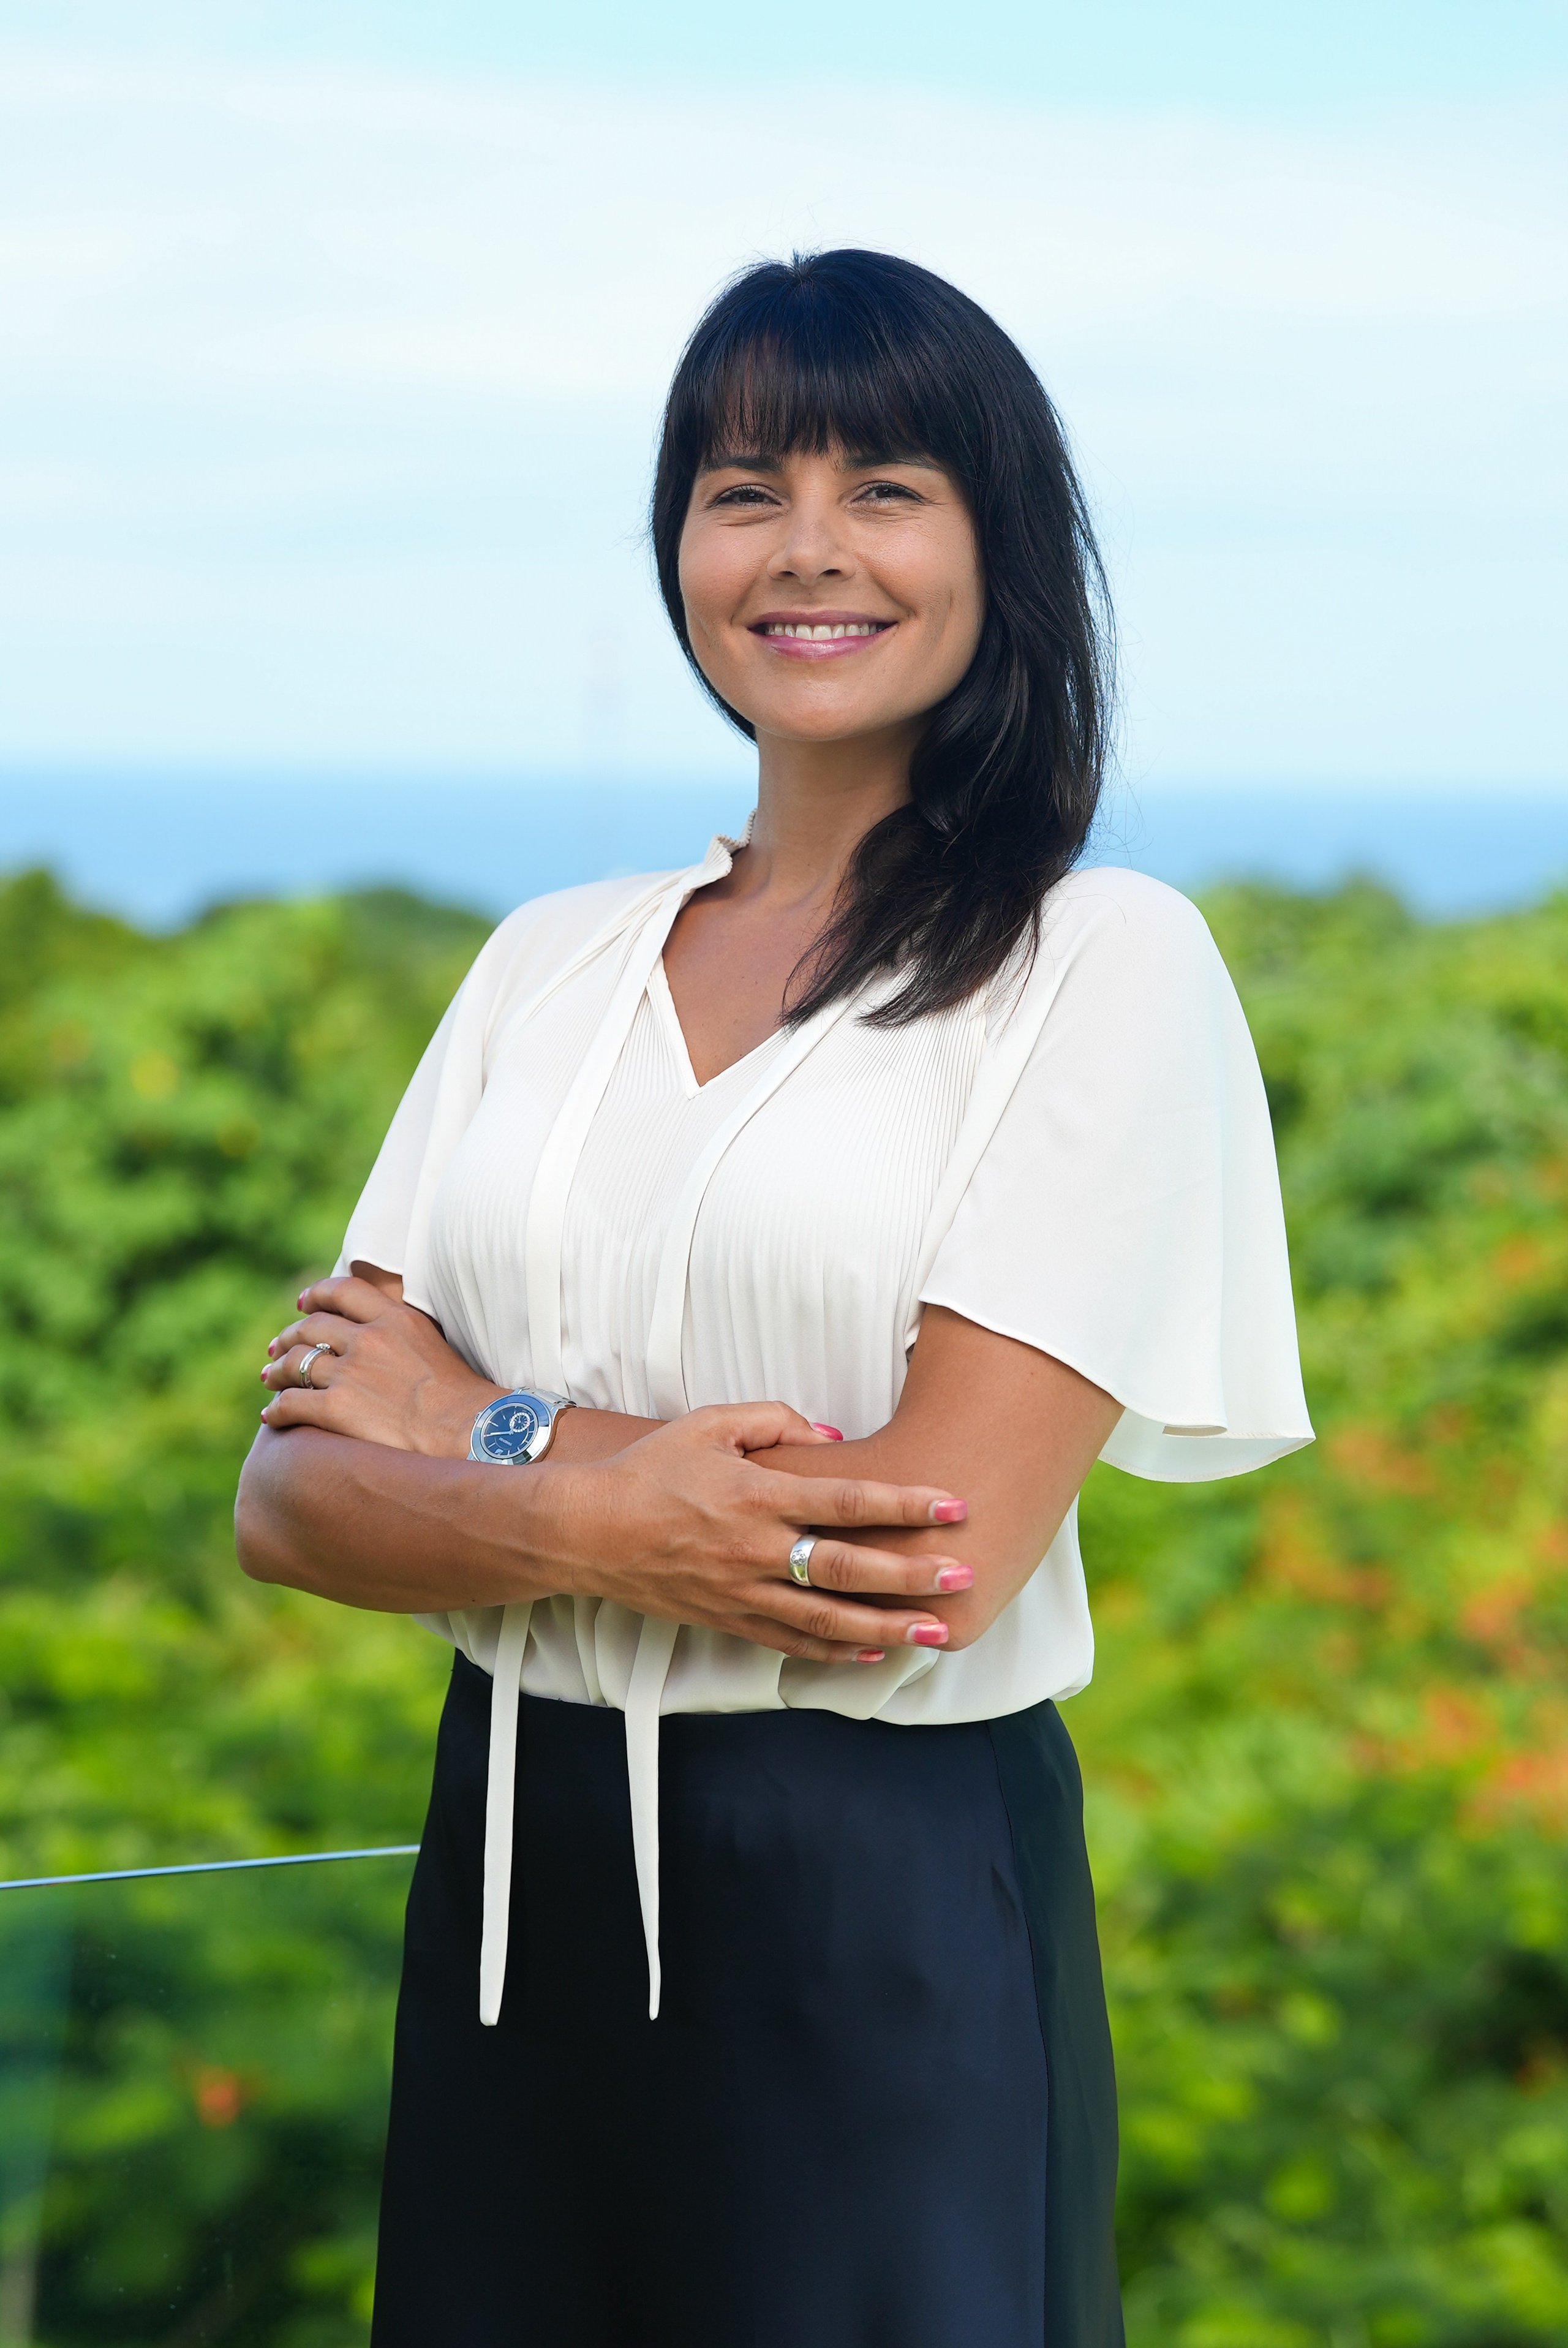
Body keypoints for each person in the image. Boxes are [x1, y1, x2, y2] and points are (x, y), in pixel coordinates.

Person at [235, 248, 1312, 2348]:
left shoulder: (1099, 960)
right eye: (744, 489)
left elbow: (936, 1554)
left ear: (999, 540)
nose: (806, 549)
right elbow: (288, 1498)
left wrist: (487, 1432)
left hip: (881, 1892)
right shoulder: (543, 959)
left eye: (886, 485)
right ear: (679, 547)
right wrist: (596, 1505)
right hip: (509, 1880)